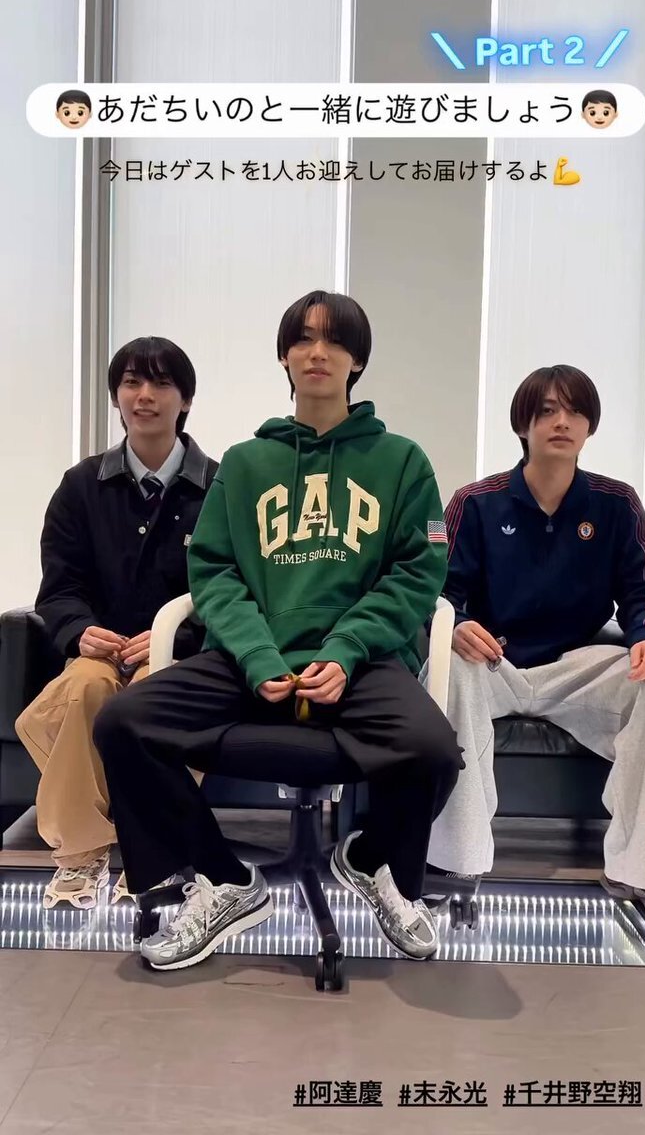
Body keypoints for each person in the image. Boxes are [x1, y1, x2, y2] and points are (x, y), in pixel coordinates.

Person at [93, 289, 463, 971]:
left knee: (434, 750)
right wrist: (257, 654)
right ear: (284, 357)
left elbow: (418, 573)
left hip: (356, 663)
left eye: (334, 340)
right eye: (302, 339)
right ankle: (222, 879)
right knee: (123, 722)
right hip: (249, 659)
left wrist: (346, 650)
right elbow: (214, 571)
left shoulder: (403, 461)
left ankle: (374, 860)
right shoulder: (245, 463)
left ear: (357, 361)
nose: (317, 352)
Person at [425, 365, 645, 917]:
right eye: (546, 411)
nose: (562, 422)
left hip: (574, 667)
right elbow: (439, 593)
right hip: (494, 663)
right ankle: (455, 860)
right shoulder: (475, 502)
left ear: (590, 425)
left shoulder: (617, 503)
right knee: (450, 662)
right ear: (523, 424)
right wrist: (457, 622)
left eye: (574, 411)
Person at [15, 338, 217, 909]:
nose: (144, 395)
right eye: (131, 382)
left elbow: (232, 589)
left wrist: (176, 638)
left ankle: (146, 847)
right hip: (98, 654)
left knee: (156, 696)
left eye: (161, 383)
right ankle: (81, 852)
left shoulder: (221, 488)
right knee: (85, 688)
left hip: (179, 658)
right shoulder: (80, 486)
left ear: (186, 400)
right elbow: (59, 587)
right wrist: (80, 630)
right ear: (116, 396)